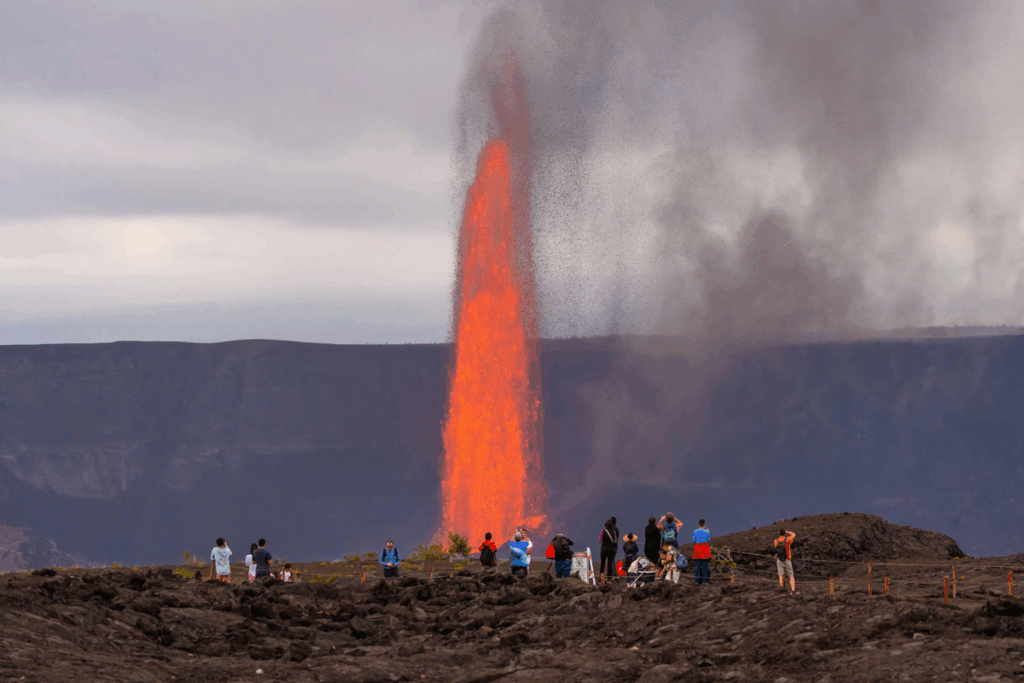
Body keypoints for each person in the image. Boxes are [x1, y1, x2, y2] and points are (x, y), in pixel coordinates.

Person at [774, 528, 797, 593]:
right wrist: (787, 532)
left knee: (781, 575)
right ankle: (793, 590)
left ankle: (782, 588)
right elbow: (794, 534)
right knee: (791, 575)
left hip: (779, 559)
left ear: (779, 534)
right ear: (784, 533)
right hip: (787, 559)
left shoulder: (776, 541)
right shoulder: (788, 539)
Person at [692, 519, 712, 585]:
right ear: (704, 524)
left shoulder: (695, 531)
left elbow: (693, 540)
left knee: (697, 566)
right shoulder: (706, 532)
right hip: (705, 549)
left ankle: (696, 581)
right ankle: (704, 580)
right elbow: (708, 540)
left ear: (699, 524)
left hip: (697, 549)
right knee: (705, 566)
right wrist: (708, 532)